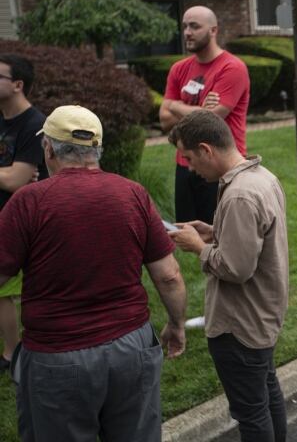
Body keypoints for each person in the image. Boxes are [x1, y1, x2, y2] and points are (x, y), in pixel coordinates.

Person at [0, 105, 187, 442]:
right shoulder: (133, 194)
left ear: (48, 149)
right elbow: (169, 275)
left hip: (57, 357)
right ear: (97, 150)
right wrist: (176, 324)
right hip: (132, 348)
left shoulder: (28, 202)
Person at [167, 110, 288, 442]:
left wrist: (197, 247)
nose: (190, 168)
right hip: (262, 315)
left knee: (251, 414)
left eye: (190, 158)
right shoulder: (262, 177)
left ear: (207, 149)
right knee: (267, 395)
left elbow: (236, 268)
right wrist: (213, 231)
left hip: (239, 324)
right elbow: (254, 243)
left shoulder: (238, 195)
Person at [160, 5, 250, 224]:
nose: (187, 32)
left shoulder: (232, 68)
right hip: (185, 163)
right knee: (190, 234)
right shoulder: (178, 69)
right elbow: (164, 120)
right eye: (184, 26)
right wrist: (201, 106)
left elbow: (210, 121)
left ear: (213, 30)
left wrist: (174, 105)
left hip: (220, 165)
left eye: (195, 26)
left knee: (222, 235)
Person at [0, 54, 48, 370]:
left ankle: (14, 353)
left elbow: (17, 181)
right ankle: (12, 351)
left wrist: (11, 176)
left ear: (17, 85)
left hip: (22, 218)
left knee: (6, 287)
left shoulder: (34, 124)